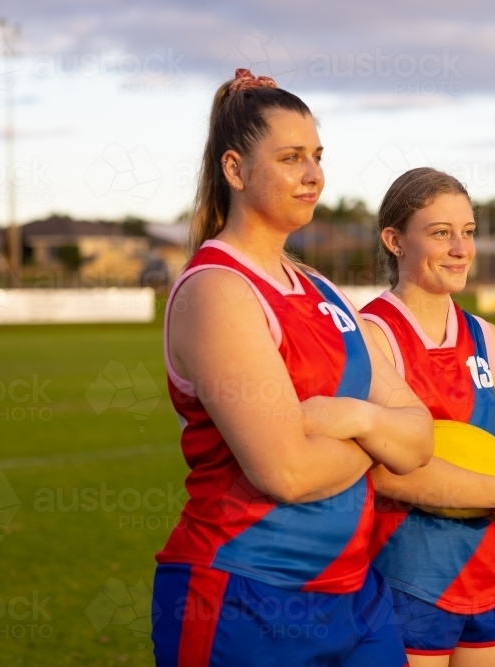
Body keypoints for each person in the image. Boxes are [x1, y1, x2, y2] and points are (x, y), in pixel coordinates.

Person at [151, 69, 433, 667]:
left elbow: (420, 435)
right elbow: (288, 472)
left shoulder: (322, 288)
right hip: (242, 598)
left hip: (355, 596)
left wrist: (346, 415)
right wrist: (379, 436)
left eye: (317, 156)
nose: (313, 176)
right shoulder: (218, 291)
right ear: (235, 170)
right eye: (290, 158)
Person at [359, 167, 495, 667]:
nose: (461, 248)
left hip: (490, 580)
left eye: (468, 232)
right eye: (441, 233)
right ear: (394, 240)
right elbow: (379, 469)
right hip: (404, 579)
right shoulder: (371, 335)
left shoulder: (489, 338)